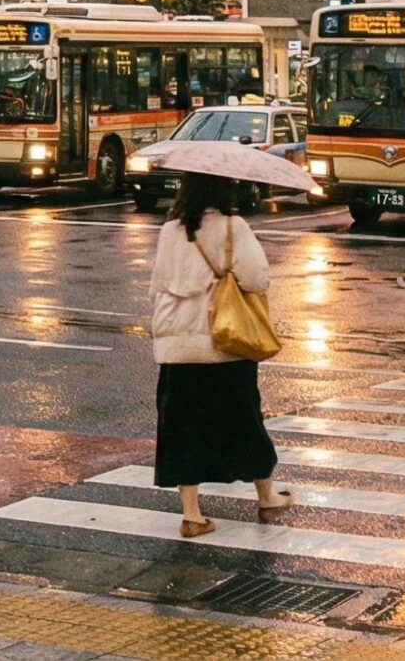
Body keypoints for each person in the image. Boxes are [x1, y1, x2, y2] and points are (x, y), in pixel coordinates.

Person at [147, 171, 289, 537]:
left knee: (182, 429)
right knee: (244, 421)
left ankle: (192, 514)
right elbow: (257, 279)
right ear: (224, 189)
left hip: (177, 346)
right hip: (225, 343)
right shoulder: (233, 228)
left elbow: (157, 285)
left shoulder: (170, 230)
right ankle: (267, 497)